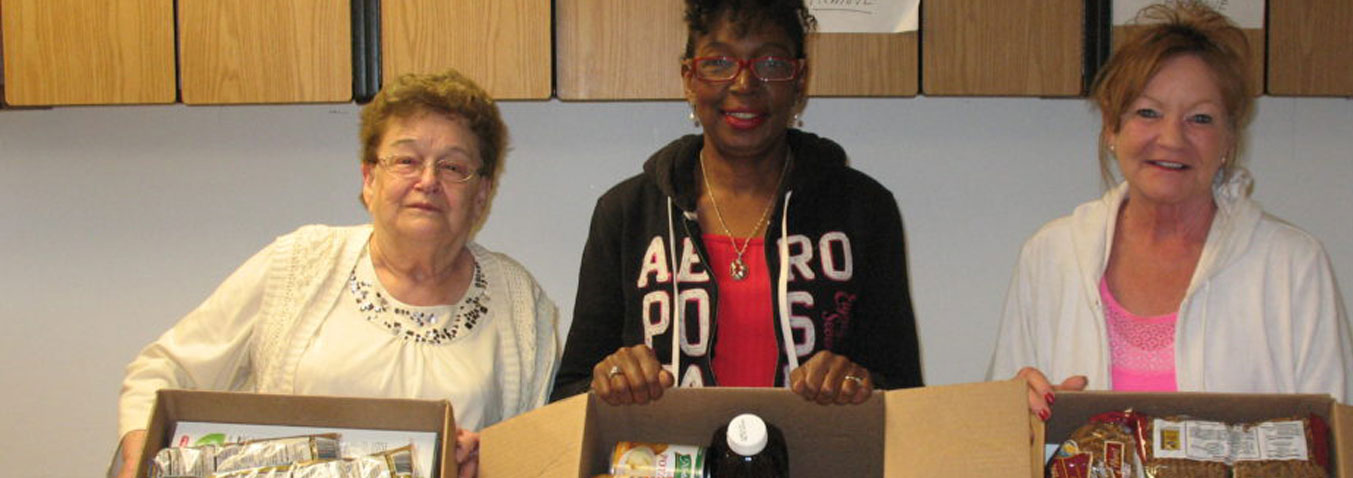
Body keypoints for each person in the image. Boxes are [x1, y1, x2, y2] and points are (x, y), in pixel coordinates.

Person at [112, 70, 558, 478]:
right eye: (405, 160)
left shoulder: (519, 300)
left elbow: (544, 452)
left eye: (453, 167)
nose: (427, 180)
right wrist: (140, 461)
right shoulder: (299, 263)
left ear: (481, 194)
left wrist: (493, 459)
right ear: (369, 179)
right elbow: (163, 372)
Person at [986, 0, 1353, 420]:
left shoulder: (1291, 264)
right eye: (1148, 113)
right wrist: (1018, 410)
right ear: (1112, 127)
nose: (1171, 138)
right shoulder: (1052, 255)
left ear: (1228, 140)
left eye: (1200, 119)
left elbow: (1340, 441)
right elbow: (996, 438)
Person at [551, 0, 922, 407]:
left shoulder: (864, 211)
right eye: (719, 62)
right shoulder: (627, 213)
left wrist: (857, 383)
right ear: (689, 79)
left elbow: (904, 394)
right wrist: (612, 380)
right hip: (669, 465)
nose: (744, 84)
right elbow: (570, 393)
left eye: (771, 64)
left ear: (799, 81)